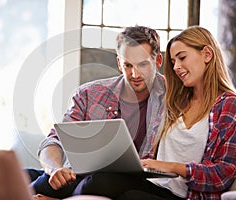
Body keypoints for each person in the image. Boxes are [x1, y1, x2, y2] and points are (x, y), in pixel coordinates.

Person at [72, 26, 236, 200]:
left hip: (186, 196)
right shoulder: (176, 100)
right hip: (154, 185)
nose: (176, 67)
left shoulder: (229, 105)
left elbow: (223, 174)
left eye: (182, 58)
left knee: (128, 196)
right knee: (99, 180)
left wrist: (170, 167)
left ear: (207, 54)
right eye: (173, 61)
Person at [26, 25, 166, 199]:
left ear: (158, 61)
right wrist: (55, 169)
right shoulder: (89, 94)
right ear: (119, 64)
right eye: (128, 65)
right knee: (37, 179)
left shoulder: (173, 97)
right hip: (79, 174)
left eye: (143, 64)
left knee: (100, 181)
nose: (135, 74)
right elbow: (54, 140)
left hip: (130, 182)